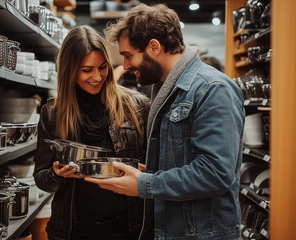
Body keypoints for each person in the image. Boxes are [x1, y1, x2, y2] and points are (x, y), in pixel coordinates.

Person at [85, 4, 245, 240]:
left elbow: (215, 173)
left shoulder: (213, 89)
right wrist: (151, 171)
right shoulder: (168, 91)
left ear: (154, 47)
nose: (126, 66)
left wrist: (145, 184)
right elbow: (188, 160)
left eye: (129, 56)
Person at [33, 25, 151, 240]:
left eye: (103, 67)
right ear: (70, 70)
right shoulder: (53, 113)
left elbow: (156, 169)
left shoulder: (136, 105)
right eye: (87, 70)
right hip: (73, 230)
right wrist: (56, 175)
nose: (97, 77)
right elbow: (41, 178)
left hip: (128, 229)